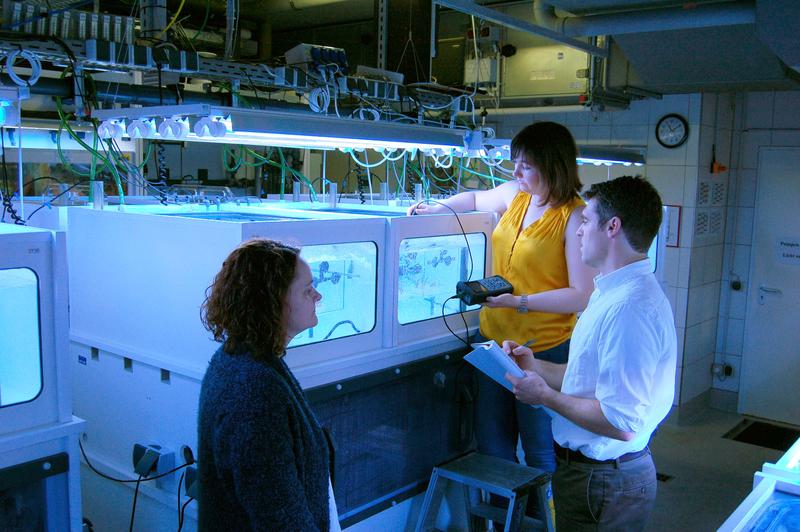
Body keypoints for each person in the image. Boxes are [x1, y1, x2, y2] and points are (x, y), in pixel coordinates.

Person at [408, 121, 595, 475]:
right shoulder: (516, 195)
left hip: (544, 347)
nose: (516, 171)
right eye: (516, 162)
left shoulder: (575, 216)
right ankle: (500, 522)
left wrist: (518, 302)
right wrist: (437, 207)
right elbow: (476, 198)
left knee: (539, 448)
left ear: (552, 164)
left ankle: (542, 522)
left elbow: (580, 295)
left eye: (526, 165)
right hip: (494, 341)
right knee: (493, 444)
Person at [505, 175, 677, 530]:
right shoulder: (609, 292)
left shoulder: (629, 308)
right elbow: (588, 379)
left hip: (603, 483)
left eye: (586, 221)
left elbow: (621, 422)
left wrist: (546, 397)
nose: (579, 231)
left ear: (612, 227)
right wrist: (535, 366)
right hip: (591, 476)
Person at [197, 238, 340, 531]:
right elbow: (279, 517)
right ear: (273, 301)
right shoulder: (253, 391)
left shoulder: (247, 361)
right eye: (307, 289)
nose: (318, 296)